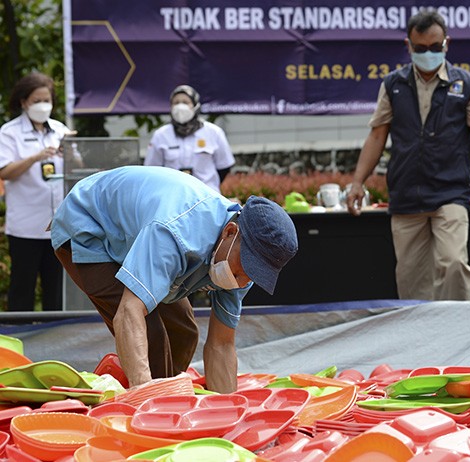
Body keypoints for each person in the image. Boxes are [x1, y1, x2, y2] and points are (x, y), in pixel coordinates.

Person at [50, 166, 298, 393]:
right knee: (150, 332)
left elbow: (221, 345)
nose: (243, 281)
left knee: (184, 332)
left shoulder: (240, 263)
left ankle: (161, 395)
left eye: (254, 274)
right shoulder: (175, 233)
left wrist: (228, 411)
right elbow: (129, 311)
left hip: (138, 235)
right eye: (244, 269)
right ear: (230, 232)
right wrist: (144, 393)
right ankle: (148, 405)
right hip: (90, 225)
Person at [345, 10, 470, 301]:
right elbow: (377, 135)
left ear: (446, 44)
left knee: (453, 264)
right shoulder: (393, 85)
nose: (428, 53)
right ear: (408, 46)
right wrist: (357, 182)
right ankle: (420, 344)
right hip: (407, 193)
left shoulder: (465, 84)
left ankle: (456, 335)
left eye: (434, 47)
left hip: (450, 191)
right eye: (420, 48)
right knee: (411, 279)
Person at [0, 72, 74, 311]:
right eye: (36, 101)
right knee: (23, 287)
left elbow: (80, 167)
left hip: (58, 227)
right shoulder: (9, 132)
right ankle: (20, 339)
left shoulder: (60, 130)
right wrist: (35, 157)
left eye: (47, 100)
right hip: (26, 227)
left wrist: (71, 151)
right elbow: (6, 171)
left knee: (56, 290)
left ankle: (54, 340)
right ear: (24, 102)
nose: (43, 106)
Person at [145, 85, 235, 192]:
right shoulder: (161, 135)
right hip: (172, 196)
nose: (180, 106)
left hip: (207, 196)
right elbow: (153, 171)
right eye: (176, 102)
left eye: (185, 102)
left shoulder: (214, 132)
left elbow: (224, 167)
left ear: (195, 105)